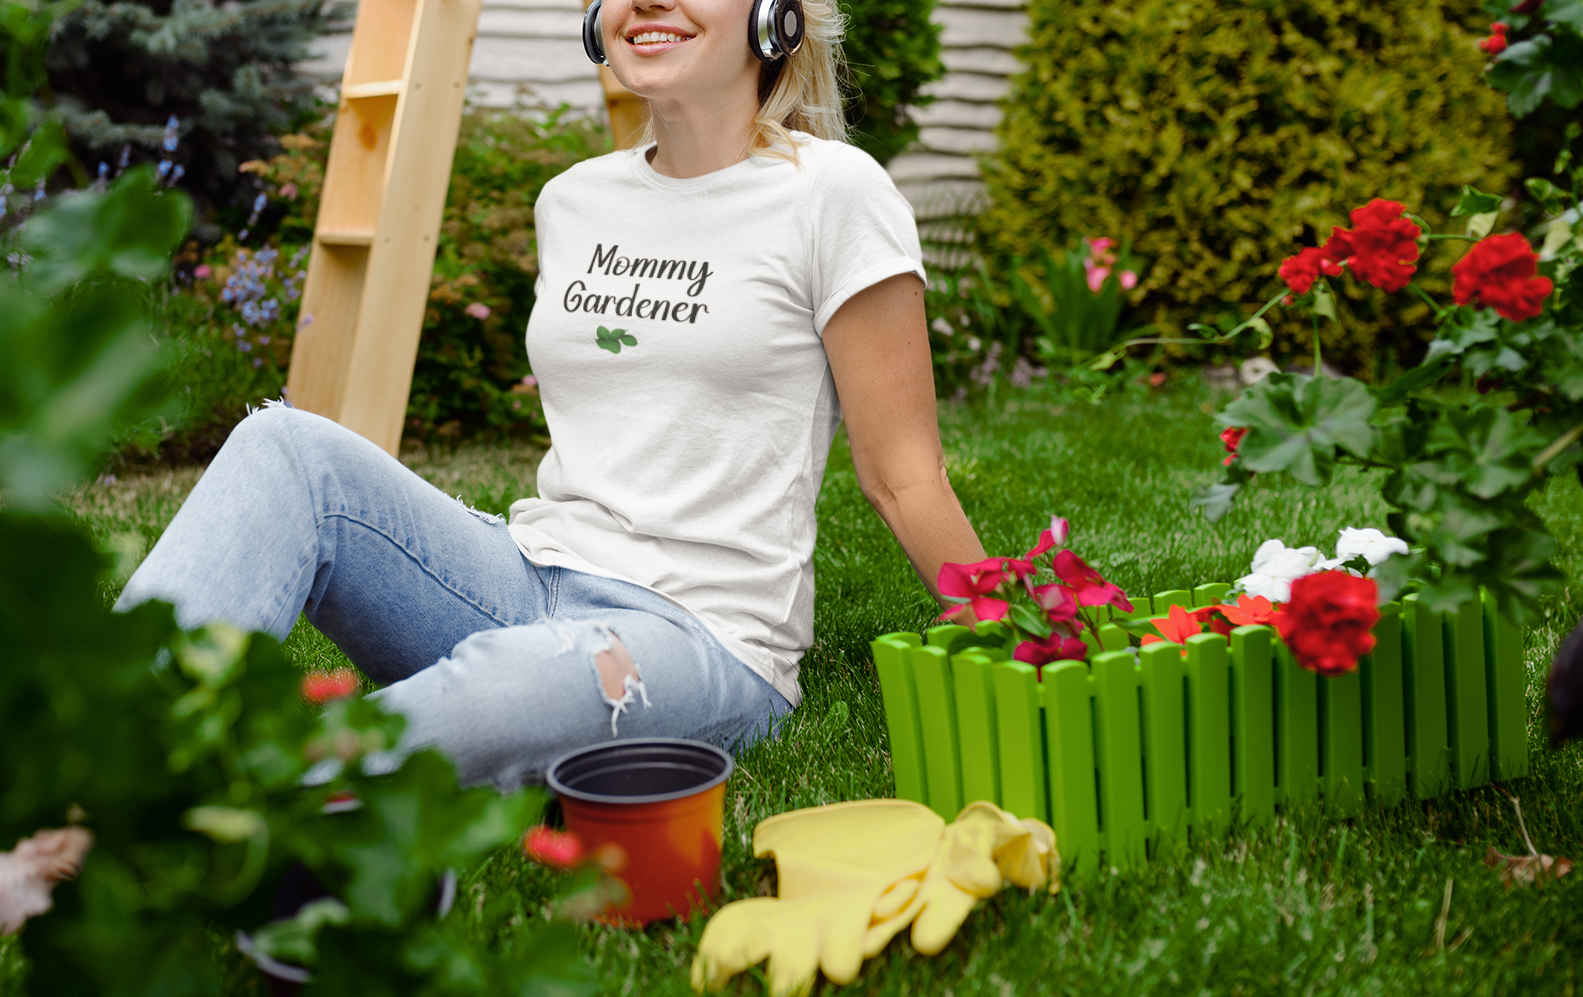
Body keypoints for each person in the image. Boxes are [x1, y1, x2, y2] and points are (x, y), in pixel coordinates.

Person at [116, 0, 985, 791]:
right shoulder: (572, 200)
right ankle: (93, 759)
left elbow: (903, 475)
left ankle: (219, 806)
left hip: (701, 637)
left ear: (774, 15)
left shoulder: (833, 192)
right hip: (528, 576)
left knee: (510, 686)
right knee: (288, 451)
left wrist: (1022, 631)